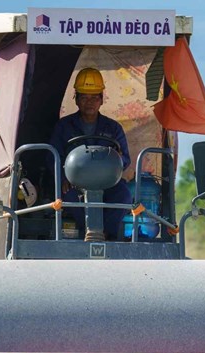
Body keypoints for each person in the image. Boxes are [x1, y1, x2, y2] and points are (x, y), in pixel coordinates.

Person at [50, 67, 132, 241]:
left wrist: (117, 160)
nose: (90, 102)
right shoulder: (64, 126)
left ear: (102, 100)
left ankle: (105, 234)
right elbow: (52, 156)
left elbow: (125, 159)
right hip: (75, 183)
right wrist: (63, 179)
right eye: (85, 97)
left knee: (124, 194)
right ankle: (89, 230)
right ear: (77, 100)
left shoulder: (113, 128)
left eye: (95, 97)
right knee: (68, 196)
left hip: (107, 183)